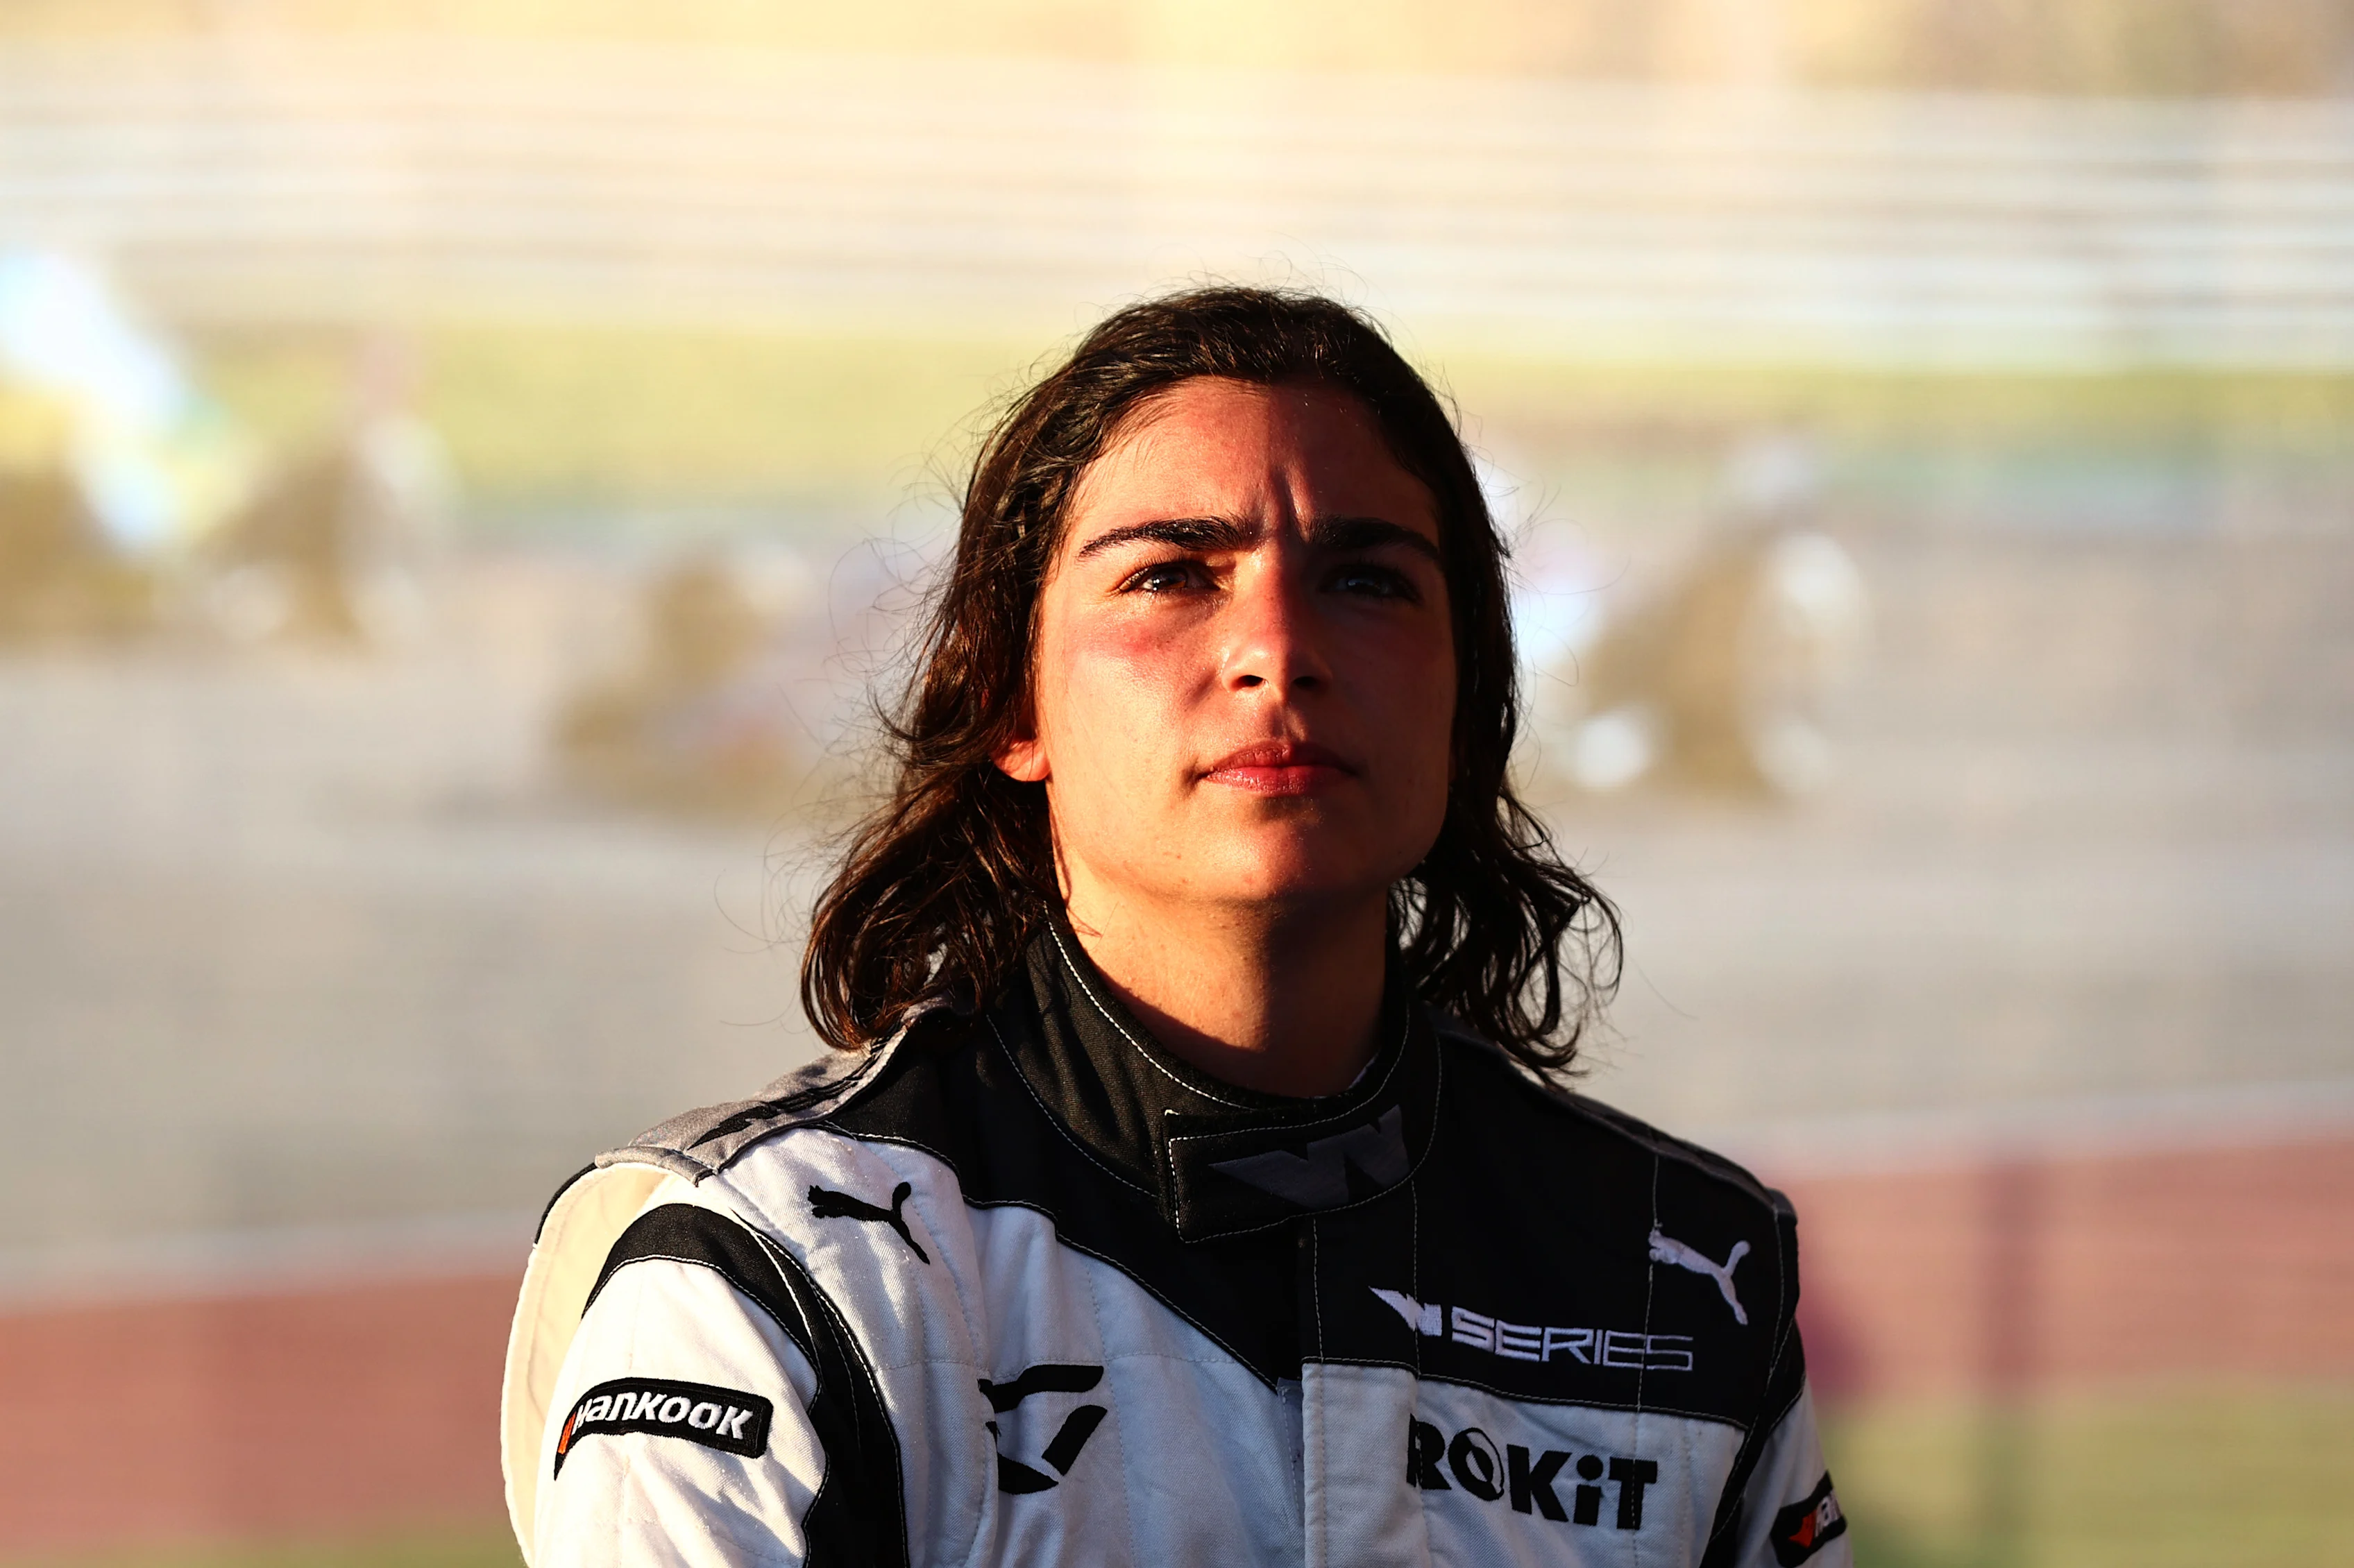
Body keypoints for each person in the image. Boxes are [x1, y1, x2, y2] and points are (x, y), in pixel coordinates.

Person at [500, 288, 1850, 1568]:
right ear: (1010, 708)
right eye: (1171, 576)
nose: (1274, 646)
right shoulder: (775, 1276)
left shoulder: (1686, 1277)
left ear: (1470, 699)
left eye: (1367, 581)